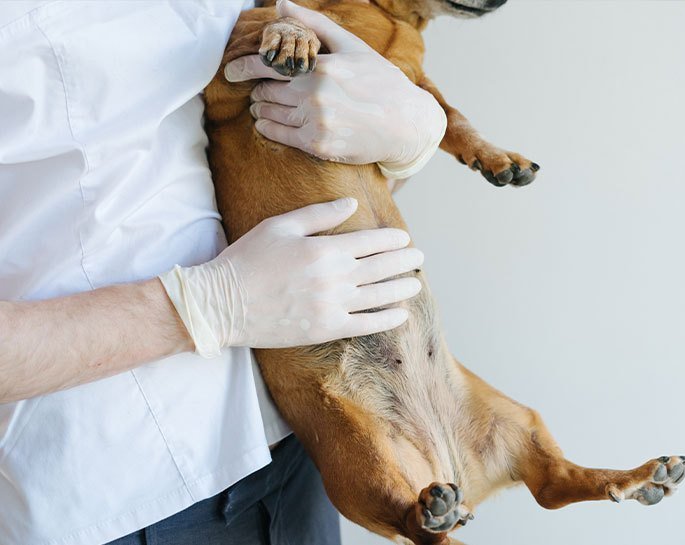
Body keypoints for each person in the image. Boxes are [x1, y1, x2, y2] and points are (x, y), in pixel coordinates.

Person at [0, 1, 447, 544]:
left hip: (291, 442)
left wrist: (397, 137)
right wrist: (203, 307)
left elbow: (279, 150)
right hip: (124, 489)